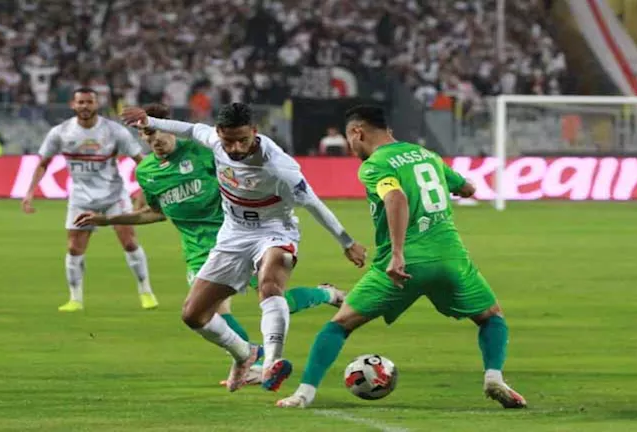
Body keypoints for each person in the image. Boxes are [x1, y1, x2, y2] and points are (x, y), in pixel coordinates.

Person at [75, 103, 348, 385]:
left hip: (237, 236)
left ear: (170, 129)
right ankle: (252, 359)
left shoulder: (204, 152)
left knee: (277, 298)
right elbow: (156, 213)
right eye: (146, 134)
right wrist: (107, 220)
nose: (153, 139)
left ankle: (326, 295)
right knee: (210, 313)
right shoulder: (146, 171)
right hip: (197, 248)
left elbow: (240, 174)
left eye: (157, 131)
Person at [277, 105, 527, 409]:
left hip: (402, 266)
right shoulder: (427, 155)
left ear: (357, 132)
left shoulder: (375, 165)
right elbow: (468, 188)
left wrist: (397, 254)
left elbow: (395, 197)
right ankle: (494, 377)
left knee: (340, 325)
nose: (350, 147)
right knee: (491, 317)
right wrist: (457, 190)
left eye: (349, 139)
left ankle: (303, 394)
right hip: (451, 260)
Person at [21, 87, 158, 312]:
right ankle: (75, 299)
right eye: (81, 102)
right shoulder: (61, 132)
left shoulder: (114, 131)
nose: (85, 106)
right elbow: (43, 163)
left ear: (97, 104)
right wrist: (29, 193)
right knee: (74, 248)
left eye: (89, 102)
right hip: (81, 199)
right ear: (73, 105)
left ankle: (146, 291)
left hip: (114, 196)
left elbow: (141, 162)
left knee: (129, 242)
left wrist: (146, 191)